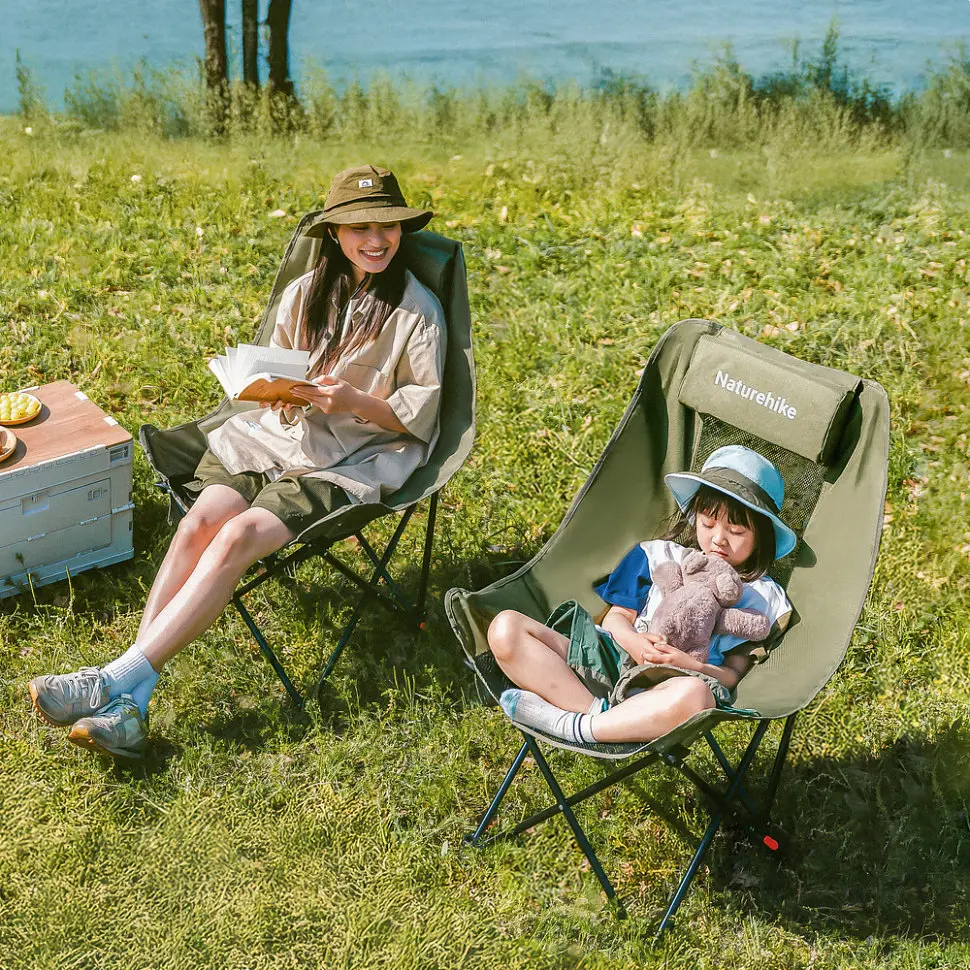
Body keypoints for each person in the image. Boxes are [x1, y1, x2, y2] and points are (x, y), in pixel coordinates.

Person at [28, 165, 447, 759]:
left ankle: (111, 681)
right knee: (202, 521)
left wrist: (353, 400)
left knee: (240, 535)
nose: (375, 240)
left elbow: (422, 417)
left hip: (351, 459)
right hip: (271, 435)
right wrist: (267, 388)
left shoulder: (417, 311)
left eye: (388, 227)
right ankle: (131, 704)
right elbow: (274, 373)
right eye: (359, 228)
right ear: (334, 233)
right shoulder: (306, 293)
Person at [490, 445, 796, 745]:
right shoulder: (657, 557)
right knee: (506, 629)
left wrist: (691, 666)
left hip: (668, 689)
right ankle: (596, 718)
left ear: (763, 537)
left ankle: (574, 726)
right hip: (611, 659)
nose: (718, 539)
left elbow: (731, 675)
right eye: (708, 523)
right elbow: (616, 619)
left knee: (697, 697)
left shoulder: (761, 598)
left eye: (737, 532)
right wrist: (635, 642)